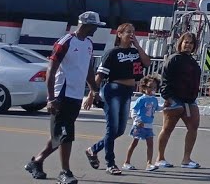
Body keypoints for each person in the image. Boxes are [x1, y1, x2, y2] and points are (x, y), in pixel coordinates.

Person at [25, 11, 104, 184]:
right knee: (65, 134)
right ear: (85, 24)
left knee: (59, 134)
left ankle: (36, 162)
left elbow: (88, 69)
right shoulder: (65, 42)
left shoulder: (89, 43)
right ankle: (65, 172)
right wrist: (51, 98)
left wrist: (94, 90)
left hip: (76, 95)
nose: (96, 30)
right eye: (95, 26)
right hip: (61, 94)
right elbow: (51, 70)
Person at [83, 23, 150, 175]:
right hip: (113, 90)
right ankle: (110, 163)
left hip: (127, 91)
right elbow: (99, 75)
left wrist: (138, 46)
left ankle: (93, 150)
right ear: (119, 34)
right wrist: (91, 95)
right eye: (128, 32)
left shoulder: (135, 52)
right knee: (111, 128)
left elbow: (147, 63)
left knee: (119, 130)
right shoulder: (112, 53)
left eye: (133, 32)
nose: (131, 34)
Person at [156, 32, 203, 169]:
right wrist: (168, 98)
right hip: (174, 99)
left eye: (191, 43)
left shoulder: (193, 62)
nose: (188, 45)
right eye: (186, 42)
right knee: (167, 128)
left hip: (189, 100)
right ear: (181, 43)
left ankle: (186, 159)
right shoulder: (173, 59)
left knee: (193, 127)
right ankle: (160, 158)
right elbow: (164, 79)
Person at [124, 76, 161, 171]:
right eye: (149, 87)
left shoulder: (154, 100)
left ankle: (149, 164)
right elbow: (134, 110)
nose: (152, 89)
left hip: (149, 125)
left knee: (150, 144)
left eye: (154, 88)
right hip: (139, 125)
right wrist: (137, 120)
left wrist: (165, 106)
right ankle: (126, 162)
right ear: (144, 88)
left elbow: (157, 108)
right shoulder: (141, 99)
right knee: (134, 143)